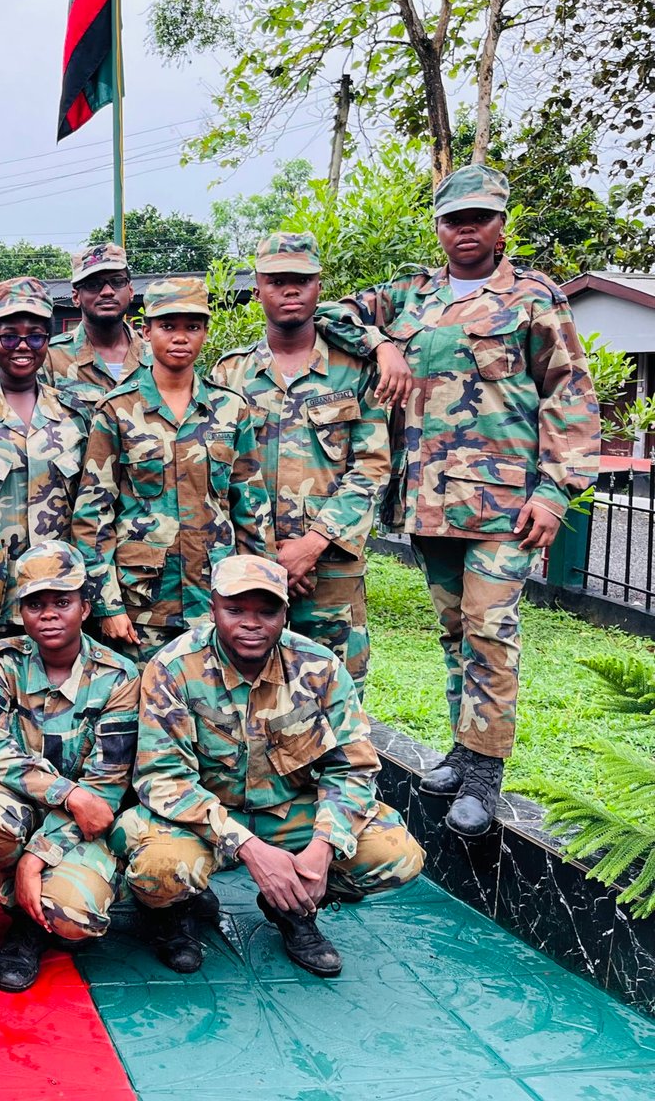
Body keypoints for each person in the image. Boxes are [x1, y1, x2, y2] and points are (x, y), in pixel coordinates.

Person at [314, 165, 600, 836]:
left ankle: (484, 775)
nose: (466, 230)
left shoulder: (533, 297)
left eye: (479, 218)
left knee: (490, 628)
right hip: (430, 502)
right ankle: (461, 750)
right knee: (455, 631)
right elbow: (330, 313)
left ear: (501, 224)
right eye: (453, 220)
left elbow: (569, 393)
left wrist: (554, 492)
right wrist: (383, 344)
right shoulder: (409, 295)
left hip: (504, 505)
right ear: (438, 227)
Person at [122, 556, 424, 977]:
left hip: (286, 813)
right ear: (212, 609)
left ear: (285, 612)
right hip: (201, 820)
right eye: (235, 610)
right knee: (159, 870)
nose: (251, 623)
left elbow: (353, 768)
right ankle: (178, 910)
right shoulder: (173, 668)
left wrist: (323, 848)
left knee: (395, 855)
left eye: (266, 611)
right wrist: (250, 849)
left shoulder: (319, 667)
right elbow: (163, 780)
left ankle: (292, 906)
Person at [209, 232, 389, 689]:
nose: (290, 291)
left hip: (330, 570)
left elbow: (372, 466)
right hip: (250, 569)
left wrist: (312, 545)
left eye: (302, 281)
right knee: (248, 692)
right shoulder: (230, 373)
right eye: (276, 281)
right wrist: (267, 557)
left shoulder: (355, 370)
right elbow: (215, 477)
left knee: (334, 691)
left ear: (319, 287)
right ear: (257, 289)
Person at [0, 542, 139, 992]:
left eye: (62, 602)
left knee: (74, 919)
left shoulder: (118, 676)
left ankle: (47, 902)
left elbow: (105, 791)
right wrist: (68, 793)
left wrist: (35, 857)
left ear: (85, 607)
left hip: (84, 826)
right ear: (21, 612)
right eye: (35, 604)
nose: (49, 615)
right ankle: (24, 919)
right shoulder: (4, 661)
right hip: (29, 807)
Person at [72, 277, 271, 658]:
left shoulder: (230, 409)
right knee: (142, 694)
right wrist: (107, 605)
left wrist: (261, 593)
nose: (180, 337)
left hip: (216, 598)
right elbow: (93, 515)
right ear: (146, 332)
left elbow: (251, 509)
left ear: (205, 333)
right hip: (142, 605)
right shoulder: (117, 410)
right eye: (167, 326)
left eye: (192, 327)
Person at [0, 277, 94, 644]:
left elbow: (93, 510)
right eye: (9, 337)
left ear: (47, 342)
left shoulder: (77, 416)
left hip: (61, 597)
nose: (22, 346)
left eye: (35, 337)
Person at [45, 242, 145, 393]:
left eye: (117, 282)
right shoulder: (51, 357)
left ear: (131, 291)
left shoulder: (155, 355)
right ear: (76, 297)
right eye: (93, 284)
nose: (107, 291)